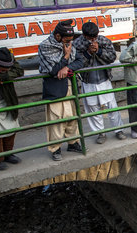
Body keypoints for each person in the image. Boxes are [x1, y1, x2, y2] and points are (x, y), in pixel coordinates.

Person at [38, 20, 86, 161]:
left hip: (70, 86)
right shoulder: (45, 46)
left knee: (72, 116)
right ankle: (55, 148)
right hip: (55, 88)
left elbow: (79, 61)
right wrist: (66, 56)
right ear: (58, 36)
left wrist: (67, 68)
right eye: (67, 40)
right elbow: (53, 70)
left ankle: (73, 142)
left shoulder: (69, 45)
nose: (69, 43)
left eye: (71, 40)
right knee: (56, 119)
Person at [73, 22, 127, 145]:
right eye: (90, 38)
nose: (93, 40)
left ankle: (118, 130)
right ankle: (100, 133)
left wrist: (98, 51)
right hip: (88, 82)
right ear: (84, 36)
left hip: (104, 80)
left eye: (95, 37)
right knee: (93, 109)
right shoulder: (77, 44)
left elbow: (112, 57)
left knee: (112, 107)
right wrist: (87, 53)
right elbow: (76, 63)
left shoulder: (104, 41)